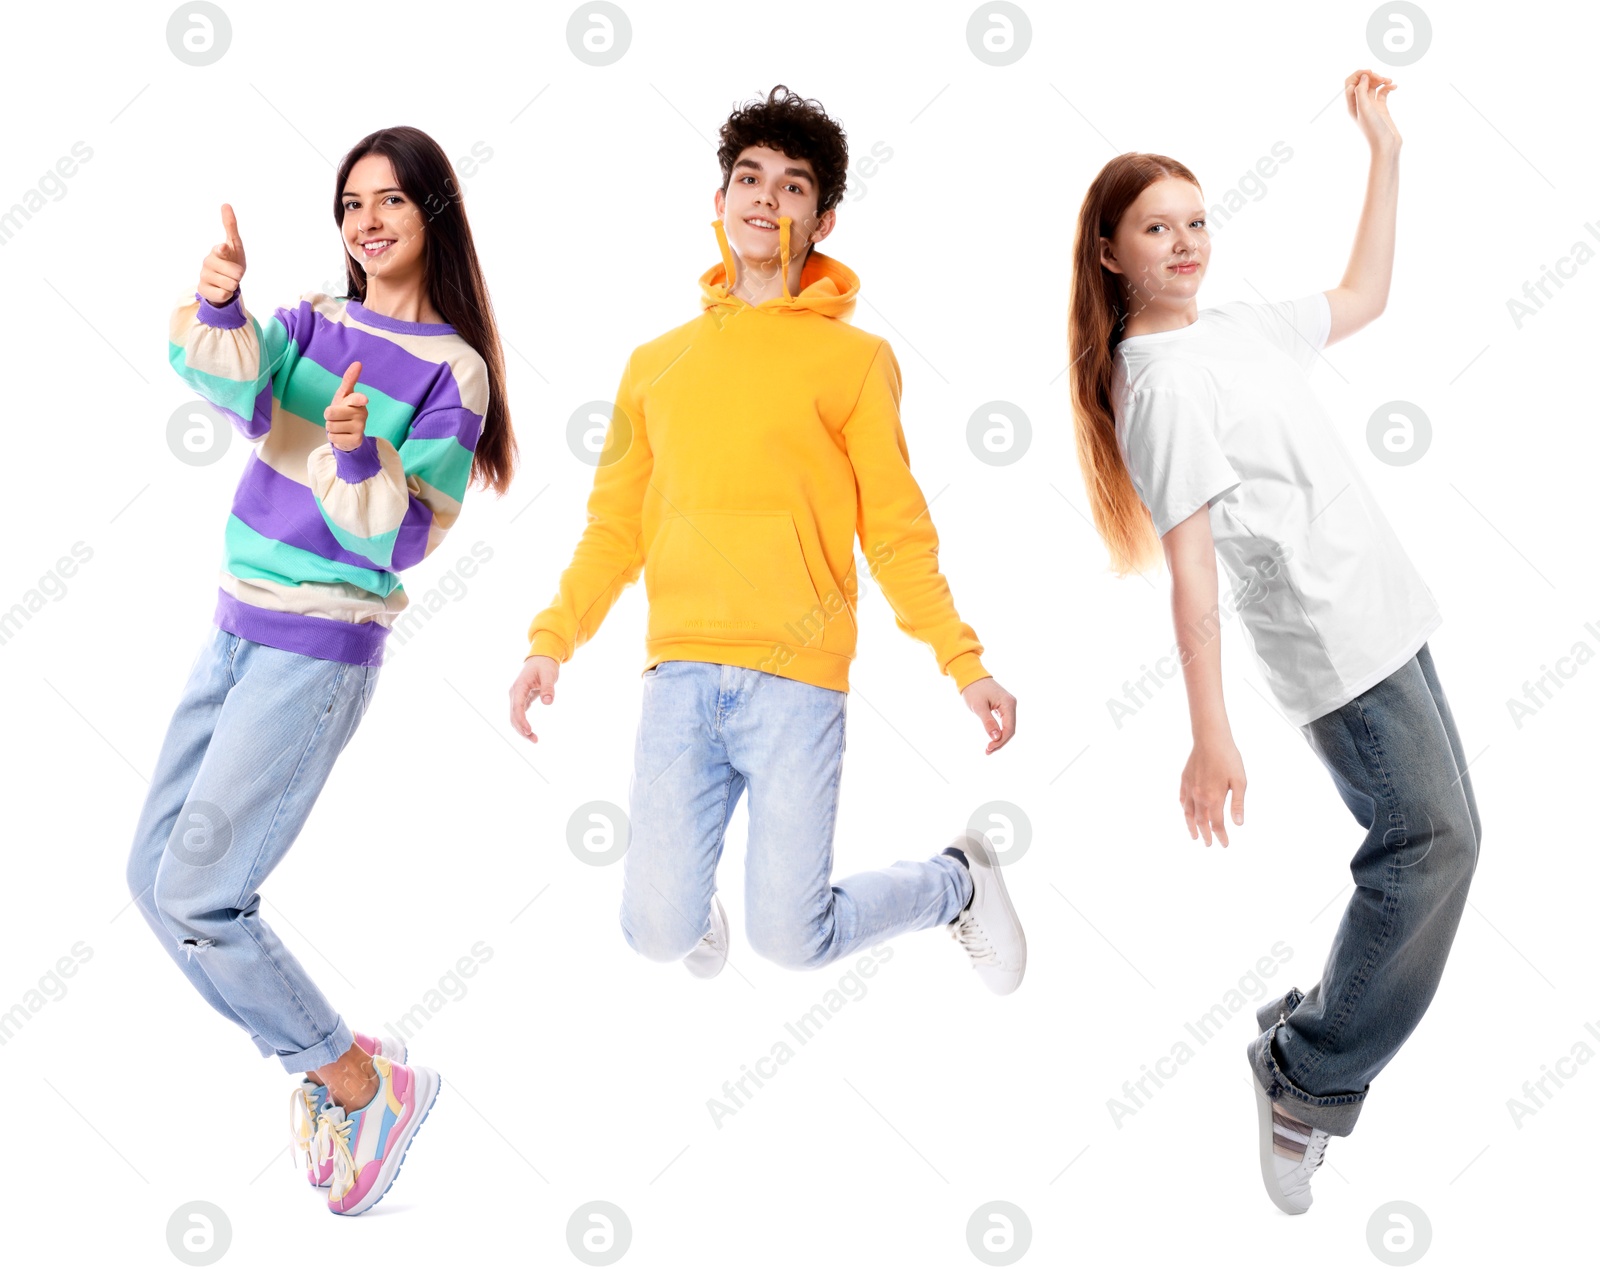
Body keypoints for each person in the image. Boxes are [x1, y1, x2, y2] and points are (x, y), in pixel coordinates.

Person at [1068, 71, 1480, 1213]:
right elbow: (1189, 570)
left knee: (1444, 839)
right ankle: (1304, 1077)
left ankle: (1303, 1036)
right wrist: (1210, 734)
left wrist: (1382, 151)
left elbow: (1364, 294)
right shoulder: (1152, 386)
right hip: (1329, 646)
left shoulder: (1236, 328)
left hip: (1388, 611)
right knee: (1427, 846)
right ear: (1110, 252)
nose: (1186, 241)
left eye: (1197, 221)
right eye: (1158, 227)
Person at [509, 85, 1025, 993]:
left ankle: (958, 883)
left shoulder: (857, 362)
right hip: (680, 675)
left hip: (798, 679)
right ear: (718, 203)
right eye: (748, 178)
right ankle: (686, 891)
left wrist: (964, 660)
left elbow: (897, 533)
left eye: (791, 186)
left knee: (792, 939)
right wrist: (552, 640)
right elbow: (613, 526)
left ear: (822, 217)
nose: (763, 196)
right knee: (656, 934)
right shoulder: (653, 364)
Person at [126, 126, 514, 1216]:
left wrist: (353, 448)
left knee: (201, 892)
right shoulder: (309, 323)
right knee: (152, 877)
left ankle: (352, 1082)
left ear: (432, 214)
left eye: (389, 201)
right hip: (235, 624)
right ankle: (347, 1072)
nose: (366, 222)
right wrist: (218, 302)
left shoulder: (455, 372)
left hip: (316, 650)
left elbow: (399, 536)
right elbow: (234, 384)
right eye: (350, 205)